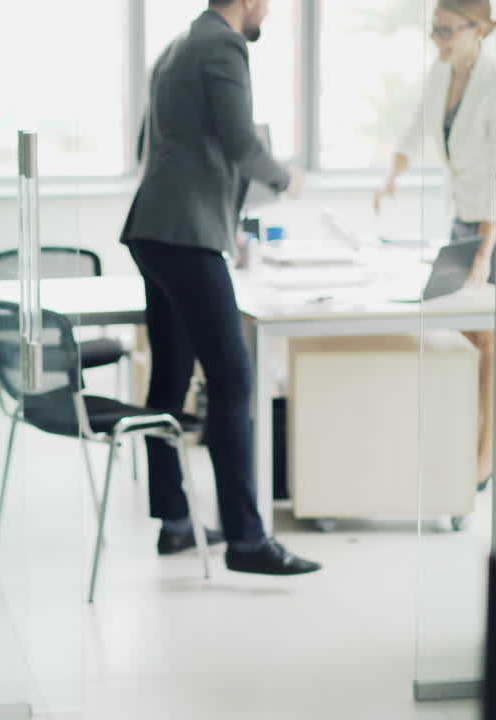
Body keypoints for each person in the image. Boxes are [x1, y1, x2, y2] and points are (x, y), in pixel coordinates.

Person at [121, 0, 319, 576]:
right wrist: (287, 178)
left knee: (171, 377)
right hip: (185, 234)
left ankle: (176, 522)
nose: (272, 12)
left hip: (156, 228)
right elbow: (241, 143)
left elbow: (157, 145)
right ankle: (247, 540)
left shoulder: (182, 43)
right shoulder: (223, 45)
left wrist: (221, 214)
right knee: (233, 378)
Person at [375, 0, 496, 489]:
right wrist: (391, 175)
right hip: (462, 216)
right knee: (465, 335)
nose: (437, 40)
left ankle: (488, 455)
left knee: (489, 340)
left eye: (446, 31)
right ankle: (468, 438)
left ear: (477, 30)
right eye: (433, 30)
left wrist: (485, 251)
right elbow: (416, 127)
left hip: (495, 225)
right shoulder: (442, 74)